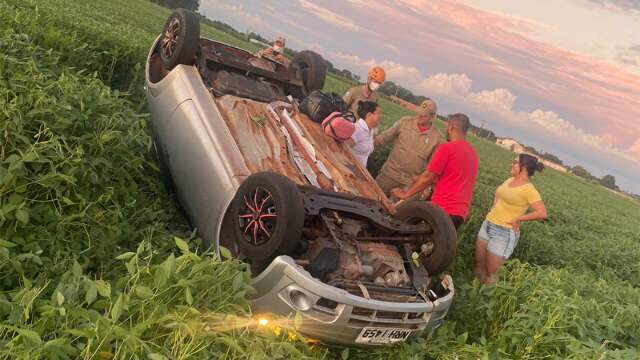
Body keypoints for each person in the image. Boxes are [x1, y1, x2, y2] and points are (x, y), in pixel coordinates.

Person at [390, 113, 478, 230]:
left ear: (451, 127)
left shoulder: (447, 148)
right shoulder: (473, 155)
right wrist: (419, 179)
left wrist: (406, 194)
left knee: (400, 223)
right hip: (459, 215)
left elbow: (428, 177)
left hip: (441, 210)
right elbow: (451, 178)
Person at [474, 154, 547, 284]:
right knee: (479, 266)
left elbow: (542, 213)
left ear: (523, 167)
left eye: (514, 162)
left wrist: (519, 219)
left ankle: (485, 300)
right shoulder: (509, 180)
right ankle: (473, 295)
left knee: (492, 274)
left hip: (503, 232)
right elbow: (498, 193)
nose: (511, 164)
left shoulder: (529, 190)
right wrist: (494, 208)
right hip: (488, 224)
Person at [374, 99, 443, 196]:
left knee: (395, 210)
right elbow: (383, 138)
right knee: (373, 201)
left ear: (432, 117)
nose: (419, 116)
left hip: (408, 184)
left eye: (424, 115)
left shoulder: (437, 138)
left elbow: (431, 168)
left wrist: (425, 188)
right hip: (388, 175)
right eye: (419, 112)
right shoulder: (404, 122)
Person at [346, 101, 381, 168]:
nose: (380, 116)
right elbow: (344, 148)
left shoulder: (371, 130)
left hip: (359, 170)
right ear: (369, 115)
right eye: (378, 113)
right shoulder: (358, 129)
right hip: (349, 169)